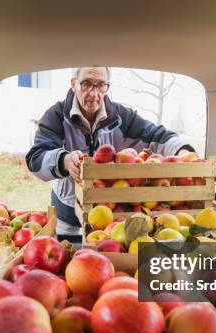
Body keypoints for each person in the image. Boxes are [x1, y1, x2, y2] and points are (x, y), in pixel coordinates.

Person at [25, 66, 195, 237]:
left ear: (107, 86)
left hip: (108, 211)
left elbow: (157, 135)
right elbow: (36, 158)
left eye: (100, 85)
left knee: (100, 250)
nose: (93, 93)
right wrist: (63, 160)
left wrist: (185, 153)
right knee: (68, 248)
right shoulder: (56, 116)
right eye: (86, 84)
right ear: (73, 84)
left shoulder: (120, 117)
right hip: (68, 208)